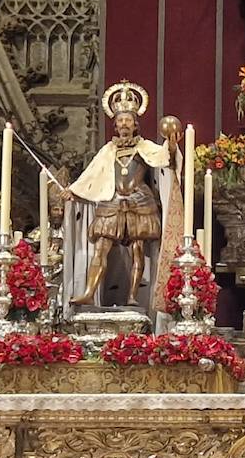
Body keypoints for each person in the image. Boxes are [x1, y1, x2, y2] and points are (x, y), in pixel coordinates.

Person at [67, 82, 172, 307]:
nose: (124, 124)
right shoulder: (108, 150)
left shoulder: (145, 147)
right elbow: (92, 174)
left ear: (135, 124)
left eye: (128, 120)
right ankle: (89, 292)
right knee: (101, 247)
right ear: (115, 125)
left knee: (137, 249)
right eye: (120, 121)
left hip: (139, 201)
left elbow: (163, 157)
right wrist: (75, 191)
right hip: (112, 201)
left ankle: (133, 295)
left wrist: (171, 141)